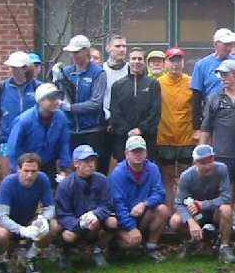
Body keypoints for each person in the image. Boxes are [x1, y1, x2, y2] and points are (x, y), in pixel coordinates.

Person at [199, 59, 235, 247]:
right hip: (221, 156)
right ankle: (222, 232)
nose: (223, 78)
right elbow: (206, 128)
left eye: (226, 74)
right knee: (224, 195)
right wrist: (200, 154)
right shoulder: (214, 98)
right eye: (220, 75)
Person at [0, 153, 61, 273]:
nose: (29, 175)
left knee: (54, 226)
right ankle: (1, 261)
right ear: (18, 169)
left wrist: (43, 219)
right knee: (2, 234)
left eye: (33, 171)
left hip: (29, 219)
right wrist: (21, 230)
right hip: (8, 221)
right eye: (26, 171)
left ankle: (31, 256)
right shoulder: (9, 182)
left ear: (38, 170)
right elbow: (1, 216)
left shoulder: (42, 179)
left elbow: (51, 207)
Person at [170, 144, 235, 264]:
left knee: (227, 209)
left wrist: (203, 204)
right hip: (194, 213)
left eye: (209, 161)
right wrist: (191, 222)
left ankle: (224, 247)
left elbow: (226, 198)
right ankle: (192, 241)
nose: (207, 165)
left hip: (215, 211)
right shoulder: (186, 176)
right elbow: (179, 203)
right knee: (175, 221)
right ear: (195, 162)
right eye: (202, 162)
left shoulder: (222, 169)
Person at [55, 145, 117, 269]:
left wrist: (95, 214)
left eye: (93, 161)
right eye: (87, 161)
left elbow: (108, 205)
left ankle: (98, 250)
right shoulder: (65, 185)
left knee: (113, 222)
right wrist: (80, 223)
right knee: (67, 235)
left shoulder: (102, 180)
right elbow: (62, 214)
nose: (91, 165)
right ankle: (65, 254)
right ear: (76, 163)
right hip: (75, 224)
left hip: (96, 221)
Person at [53, 35, 109, 173]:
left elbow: (95, 102)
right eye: (72, 52)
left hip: (92, 130)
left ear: (86, 51)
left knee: (92, 170)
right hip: (71, 130)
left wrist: (71, 108)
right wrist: (56, 81)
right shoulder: (66, 72)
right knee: (71, 169)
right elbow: (58, 97)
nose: (74, 55)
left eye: (77, 52)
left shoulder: (98, 72)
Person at [110, 136, 170, 262]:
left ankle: (151, 246)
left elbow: (160, 193)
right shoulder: (118, 173)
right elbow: (118, 205)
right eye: (134, 151)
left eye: (141, 151)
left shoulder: (153, 168)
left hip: (143, 214)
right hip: (124, 218)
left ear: (146, 153)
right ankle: (115, 245)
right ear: (126, 154)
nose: (138, 155)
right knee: (132, 242)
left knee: (163, 210)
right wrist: (131, 227)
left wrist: (145, 204)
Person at [6, 83, 72, 185]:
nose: (56, 102)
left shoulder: (61, 117)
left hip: (48, 163)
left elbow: (64, 143)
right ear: (40, 100)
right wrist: (17, 169)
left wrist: (64, 167)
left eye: (57, 98)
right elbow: (14, 147)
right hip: (27, 165)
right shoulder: (24, 120)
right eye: (51, 99)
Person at [156, 48, 196, 213]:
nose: (175, 64)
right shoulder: (158, 83)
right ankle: (169, 212)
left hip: (186, 136)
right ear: (166, 63)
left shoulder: (191, 82)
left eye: (178, 60)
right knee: (167, 178)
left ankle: (185, 214)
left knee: (185, 177)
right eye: (172, 60)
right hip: (164, 136)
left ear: (183, 63)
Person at [0, 51, 41, 178]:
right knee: (8, 177)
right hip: (6, 138)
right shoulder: (3, 87)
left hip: (30, 139)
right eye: (11, 68)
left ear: (25, 68)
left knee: (30, 176)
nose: (12, 71)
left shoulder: (37, 87)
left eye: (16, 68)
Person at [109, 48, 162, 161]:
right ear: (129, 61)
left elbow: (155, 111)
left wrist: (141, 129)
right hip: (124, 137)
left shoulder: (153, 84)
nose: (136, 61)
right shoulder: (118, 85)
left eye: (140, 59)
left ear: (144, 62)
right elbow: (114, 111)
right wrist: (128, 130)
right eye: (133, 58)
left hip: (147, 137)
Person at [192, 28, 235, 130]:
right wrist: (196, 128)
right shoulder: (202, 65)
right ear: (216, 44)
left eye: (230, 44)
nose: (229, 48)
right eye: (226, 44)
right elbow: (196, 97)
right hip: (211, 114)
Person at [101, 34, 130, 173]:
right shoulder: (100, 71)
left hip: (126, 125)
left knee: (125, 164)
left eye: (124, 46)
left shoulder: (131, 69)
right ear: (108, 48)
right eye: (117, 46)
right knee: (102, 164)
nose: (122, 49)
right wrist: (109, 118)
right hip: (104, 125)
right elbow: (99, 98)